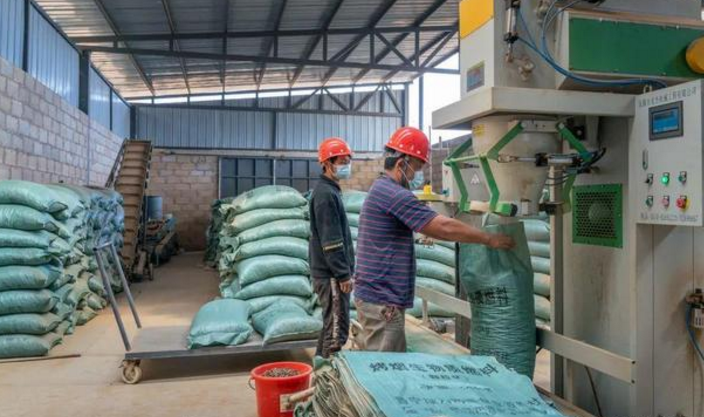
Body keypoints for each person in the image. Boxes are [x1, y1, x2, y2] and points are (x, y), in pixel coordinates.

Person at [354, 127, 515, 352]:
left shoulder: (381, 189)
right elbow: (443, 227)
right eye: (416, 168)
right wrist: (488, 239)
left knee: (382, 361)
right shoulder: (394, 194)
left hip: (378, 297)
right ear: (401, 163)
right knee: (385, 365)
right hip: (382, 300)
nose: (416, 176)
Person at [309, 137, 356, 358]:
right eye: (342, 161)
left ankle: (320, 371)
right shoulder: (325, 194)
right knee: (337, 333)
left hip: (331, 274)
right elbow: (331, 241)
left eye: (348, 161)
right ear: (327, 163)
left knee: (331, 328)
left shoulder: (330, 190)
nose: (347, 165)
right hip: (331, 275)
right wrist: (343, 274)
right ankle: (327, 375)